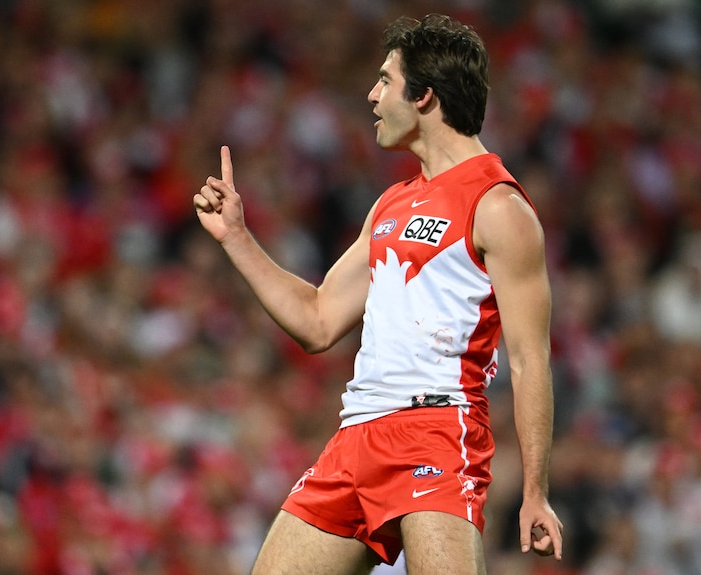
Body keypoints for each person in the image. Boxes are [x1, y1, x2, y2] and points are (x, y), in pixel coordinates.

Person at [193, 13, 563, 575]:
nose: (371, 95)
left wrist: (534, 489)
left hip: (436, 434)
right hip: (357, 435)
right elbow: (317, 321)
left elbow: (532, 358)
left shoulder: (499, 208)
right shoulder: (390, 204)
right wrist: (238, 239)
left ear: (425, 97)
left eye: (385, 80)